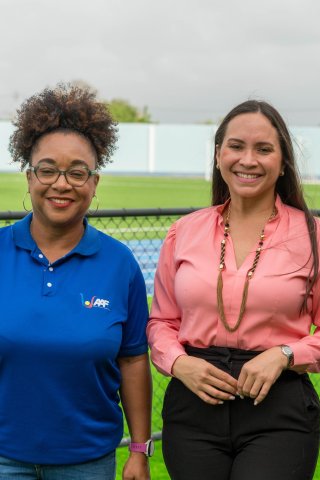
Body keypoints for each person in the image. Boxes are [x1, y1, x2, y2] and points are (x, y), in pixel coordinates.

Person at [147, 100, 320, 480]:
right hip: (193, 406)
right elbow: (161, 322)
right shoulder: (183, 232)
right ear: (218, 155)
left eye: (263, 149)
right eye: (236, 146)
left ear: (283, 161)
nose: (248, 160)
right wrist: (179, 363)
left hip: (278, 410)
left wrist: (285, 354)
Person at [0, 84, 152, 480]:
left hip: (88, 462)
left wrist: (139, 450)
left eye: (77, 172)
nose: (61, 183)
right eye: (48, 169)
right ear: (29, 177)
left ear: (94, 182)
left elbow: (133, 360)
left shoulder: (120, 264)